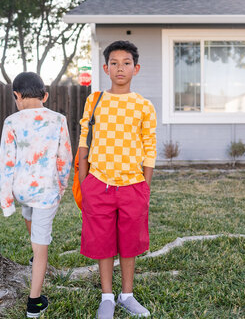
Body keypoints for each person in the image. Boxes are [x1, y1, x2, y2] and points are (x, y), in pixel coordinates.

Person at [78, 40, 157, 319]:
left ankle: (127, 295)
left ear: (136, 69)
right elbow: (84, 141)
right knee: (102, 241)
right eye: (114, 63)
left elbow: (149, 147)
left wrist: (144, 185)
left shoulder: (143, 106)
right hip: (99, 183)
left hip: (133, 185)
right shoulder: (95, 100)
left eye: (126, 63)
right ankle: (107, 298)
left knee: (129, 241)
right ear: (105, 68)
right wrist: (85, 180)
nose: (120, 68)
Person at [0, 72, 73, 318]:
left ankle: (34, 255)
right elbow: (65, 159)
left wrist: (7, 202)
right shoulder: (58, 120)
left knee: (28, 215)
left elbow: (5, 164)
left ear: (16, 96)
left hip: (22, 190)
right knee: (42, 248)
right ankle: (35, 303)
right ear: (46, 95)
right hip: (45, 192)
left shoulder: (11, 121)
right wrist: (61, 187)